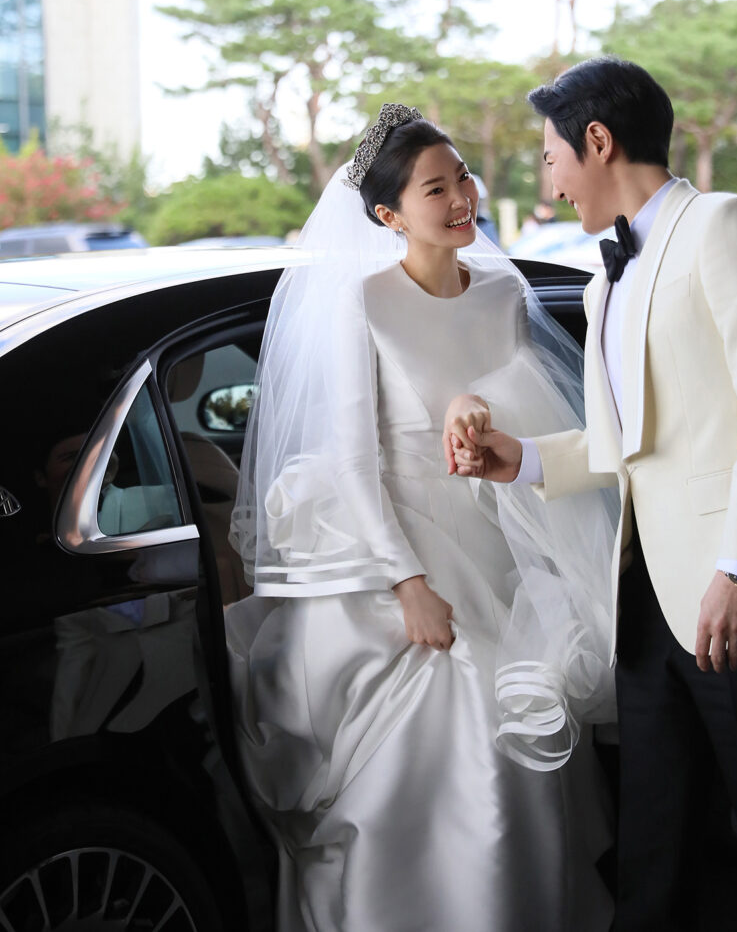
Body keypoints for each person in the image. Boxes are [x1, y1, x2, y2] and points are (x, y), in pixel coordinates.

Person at [225, 104, 619, 932]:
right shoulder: (362, 301)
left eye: (463, 178)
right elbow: (351, 458)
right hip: (401, 542)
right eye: (434, 188)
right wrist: (407, 583)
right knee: (472, 717)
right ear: (388, 214)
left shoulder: (503, 291)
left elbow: (529, 410)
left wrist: (477, 405)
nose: (461, 198)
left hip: (502, 539)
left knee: (535, 723)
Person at [445, 57, 737, 931]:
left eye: (551, 157)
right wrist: (519, 460)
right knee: (655, 855)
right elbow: (627, 445)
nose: (551, 181)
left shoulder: (730, 225)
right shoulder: (606, 278)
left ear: (598, 141)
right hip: (646, 612)